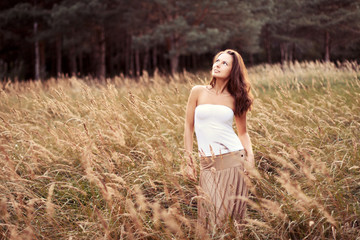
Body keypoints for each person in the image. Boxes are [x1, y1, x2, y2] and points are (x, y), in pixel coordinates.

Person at [184, 49, 254, 230]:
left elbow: (243, 132)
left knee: (229, 223)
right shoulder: (197, 91)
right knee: (208, 218)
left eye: (225, 63)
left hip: (233, 161)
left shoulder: (236, 98)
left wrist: (251, 158)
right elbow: (188, 126)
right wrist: (188, 159)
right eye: (217, 61)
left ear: (233, 71)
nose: (218, 65)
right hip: (206, 164)